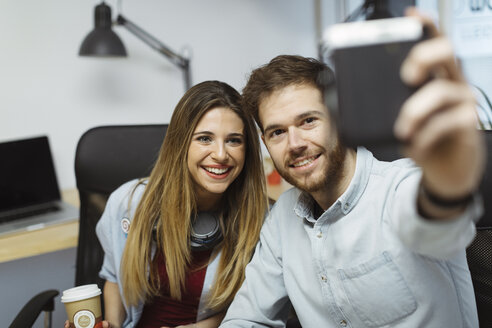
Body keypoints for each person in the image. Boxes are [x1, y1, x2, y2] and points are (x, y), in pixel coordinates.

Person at [220, 10, 485, 328]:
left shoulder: (400, 188)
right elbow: (248, 317)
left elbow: (438, 227)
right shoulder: (283, 220)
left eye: (308, 121)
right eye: (277, 132)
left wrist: (447, 182)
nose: (295, 143)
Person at [66, 81, 268, 328]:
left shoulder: (262, 221)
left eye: (234, 140)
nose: (221, 154)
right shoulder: (127, 203)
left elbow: (258, 308)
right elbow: (114, 279)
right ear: (180, 144)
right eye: (205, 138)